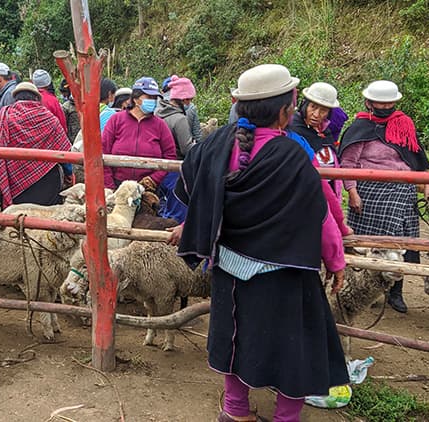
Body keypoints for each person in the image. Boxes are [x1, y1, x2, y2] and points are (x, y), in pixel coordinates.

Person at [171, 64, 348, 422]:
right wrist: (336, 259)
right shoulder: (294, 157)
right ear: (287, 109)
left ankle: (236, 412)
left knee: (233, 338)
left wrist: (191, 224)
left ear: (239, 104)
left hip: (229, 267)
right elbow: (319, 215)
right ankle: (285, 417)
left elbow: (199, 191)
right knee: (293, 345)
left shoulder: (214, 144)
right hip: (282, 271)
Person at [339, 80, 429, 313]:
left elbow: (417, 159)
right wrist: (352, 192)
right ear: (369, 103)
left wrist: (428, 187)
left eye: (389, 102)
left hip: (404, 190)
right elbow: (348, 163)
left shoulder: (403, 126)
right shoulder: (360, 129)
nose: (385, 106)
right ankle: (367, 287)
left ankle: (395, 291)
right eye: (380, 102)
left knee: (401, 241)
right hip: (372, 193)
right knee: (371, 242)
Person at [0, 82, 71, 207]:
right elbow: (63, 150)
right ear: (36, 98)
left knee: (19, 219)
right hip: (47, 179)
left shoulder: (4, 116)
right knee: (47, 218)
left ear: (15, 98)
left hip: (15, 178)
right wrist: (68, 173)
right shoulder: (49, 118)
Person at [102, 77, 177, 190]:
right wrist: (109, 186)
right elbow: (103, 151)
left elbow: (170, 157)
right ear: (136, 98)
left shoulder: (160, 125)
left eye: (155, 98)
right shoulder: (116, 120)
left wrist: (153, 180)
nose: (153, 101)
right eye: (149, 97)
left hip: (147, 188)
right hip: (117, 186)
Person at [289, 82, 343, 196]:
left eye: (323, 110)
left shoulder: (325, 131)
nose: (316, 114)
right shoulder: (293, 129)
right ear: (304, 105)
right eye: (313, 107)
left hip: (328, 190)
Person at [155, 75, 196, 222]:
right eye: (188, 100)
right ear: (183, 99)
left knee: (162, 206)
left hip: (157, 167)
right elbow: (187, 148)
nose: (189, 103)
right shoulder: (180, 119)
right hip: (175, 169)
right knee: (178, 209)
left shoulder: (157, 113)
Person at [32, 69, 68, 133]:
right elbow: (62, 123)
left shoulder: (29, 99)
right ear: (48, 83)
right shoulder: (52, 100)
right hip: (52, 137)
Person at [60, 78, 81, 142]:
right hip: (72, 141)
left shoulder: (66, 107)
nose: (63, 95)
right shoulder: (66, 107)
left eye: (65, 92)